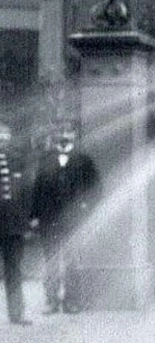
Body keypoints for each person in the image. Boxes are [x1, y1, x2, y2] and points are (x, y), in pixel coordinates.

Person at [31, 126, 100, 314]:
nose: (64, 137)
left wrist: (86, 207)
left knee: (72, 261)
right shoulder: (46, 160)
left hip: (73, 220)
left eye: (68, 133)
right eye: (60, 133)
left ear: (74, 136)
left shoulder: (83, 160)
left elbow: (95, 187)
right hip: (49, 220)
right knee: (50, 262)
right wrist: (34, 216)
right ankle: (51, 301)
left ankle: (71, 301)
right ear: (55, 137)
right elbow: (37, 189)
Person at [0, 122, 31, 324]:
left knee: (14, 271)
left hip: (12, 226)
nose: (2, 139)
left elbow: (26, 194)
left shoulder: (18, 161)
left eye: (5, 135)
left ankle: (17, 314)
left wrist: (25, 222)